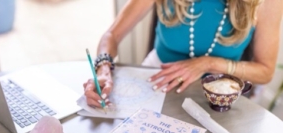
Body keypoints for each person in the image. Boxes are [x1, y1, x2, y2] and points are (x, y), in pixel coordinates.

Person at [83, 0, 283, 108]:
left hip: (220, 94)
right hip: (157, 77)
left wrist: (207, 63)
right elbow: (112, 35)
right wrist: (103, 68)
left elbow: (265, 71)